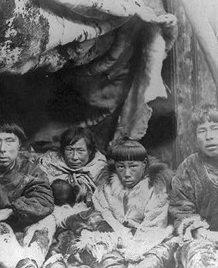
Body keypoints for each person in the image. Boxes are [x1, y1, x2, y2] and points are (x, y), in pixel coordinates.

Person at [44, 138, 176, 268]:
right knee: (108, 261)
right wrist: (121, 235)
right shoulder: (106, 185)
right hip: (115, 238)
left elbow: (154, 224)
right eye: (121, 167)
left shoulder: (156, 187)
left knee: (149, 263)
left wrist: (134, 249)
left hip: (151, 240)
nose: (127, 174)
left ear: (144, 163)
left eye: (133, 166)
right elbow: (103, 213)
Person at [0, 116, 54, 268]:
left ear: (19, 145)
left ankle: (31, 262)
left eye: (9, 140)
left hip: (20, 217)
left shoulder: (29, 170)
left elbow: (44, 199)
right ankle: (18, 263)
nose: (3, 149)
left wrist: (11, 211)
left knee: (48, 219)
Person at [169, 104, 218, 268]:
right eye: (202, 131)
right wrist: (204, 234)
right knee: (202, 261)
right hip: (202, 240)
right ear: (195, 138)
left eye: (215, 128)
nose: (209, 136)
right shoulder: (189, 168)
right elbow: (182, 212)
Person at [37, 126, 107, 205]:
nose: (74, 157)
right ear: (62, 150)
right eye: (69, 150)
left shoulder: (99, 167)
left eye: (80, 151)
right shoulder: (50, 162)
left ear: (90, 151)